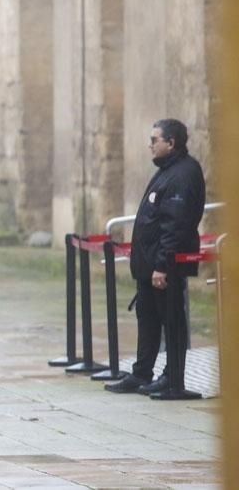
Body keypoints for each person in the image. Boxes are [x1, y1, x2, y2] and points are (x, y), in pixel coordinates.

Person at [105, 118, 206, 398]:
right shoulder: (167, 171)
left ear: (171, 143)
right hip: (150, 265)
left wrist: (162, 265)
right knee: (148, 317)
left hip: (165, 266)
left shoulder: (183, 173)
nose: (150, 145)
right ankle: (142, 373)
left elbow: (175, 224)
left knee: (171, 320)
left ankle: (173, 379)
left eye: (154, 140)